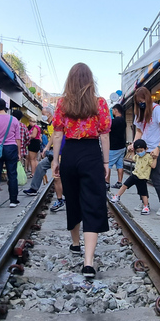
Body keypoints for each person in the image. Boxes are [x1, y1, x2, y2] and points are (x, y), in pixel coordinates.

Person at [51, 63, 111, 278]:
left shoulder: (62, 104)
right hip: (91, 153)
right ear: (89, 80)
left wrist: (56, 159)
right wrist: (106, 163)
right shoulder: (100, 103)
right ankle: (88, 262)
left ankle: (76, 244)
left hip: (70, 153)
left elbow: (58, 134)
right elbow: (104, 135)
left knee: (73, 199)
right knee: (93, 202)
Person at [129, 87, 160, 216]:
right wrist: (134, 144)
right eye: (138, 101)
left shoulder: (157, 110)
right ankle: (144, 202)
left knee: (155, 176)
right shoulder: (139, 113)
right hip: (144, 149)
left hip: (157, 148)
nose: (141, 103)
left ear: (147, 99)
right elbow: (139, 131)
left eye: (142, 100)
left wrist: (158, 148)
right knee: (139, 176)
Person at [110, 139, 157, 214]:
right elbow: (133, 158)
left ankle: (146, 206)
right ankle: (117, 196)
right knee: (124, 185)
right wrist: (132, 151)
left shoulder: (149, 157)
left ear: (146, 149)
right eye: (137, 151)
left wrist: (155, 158)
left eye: (141, 150)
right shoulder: (137, 156)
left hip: (142, 178)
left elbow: (153, 166)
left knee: (143, 193)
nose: (139, 153)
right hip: (134, 175)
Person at [107, 104, 126, 189]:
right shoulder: (123, 121)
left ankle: (106, 182)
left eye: (113, 110)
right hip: (122, 146)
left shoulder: (114, 122)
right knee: (120, 165)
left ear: (116, 110)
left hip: (114, 147)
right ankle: (119, 182)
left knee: (108, 165)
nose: (112, 112)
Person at [12, 109, 30, 176]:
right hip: (21, 149)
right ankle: (18, 177)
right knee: (20, 164)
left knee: (11, 165)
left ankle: (11, 177)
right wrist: (24, 145)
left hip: (10, 148)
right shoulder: (23, 126)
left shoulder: (10, 124)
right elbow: (28, 138)